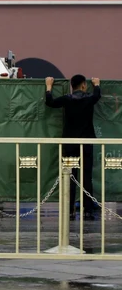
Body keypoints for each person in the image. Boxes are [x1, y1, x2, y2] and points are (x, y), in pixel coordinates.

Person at [45, 75, 101, 220]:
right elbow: (97, 95)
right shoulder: (89, 99)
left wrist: (49, 86)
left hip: (69, 144)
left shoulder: (66, 99)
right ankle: (87, 210)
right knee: (86, 178)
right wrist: (96, 84)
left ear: (71, 86)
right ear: (83, 85)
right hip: (86, 144)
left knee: (69, 177)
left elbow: (50, 102)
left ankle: (69, 210)